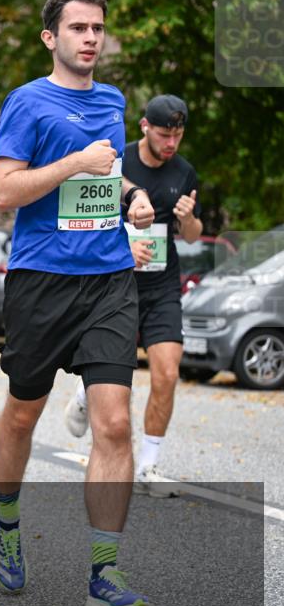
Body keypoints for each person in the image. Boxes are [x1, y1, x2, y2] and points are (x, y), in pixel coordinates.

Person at [0, 0, 155, 606]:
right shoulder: (27, 103)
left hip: (110, 278)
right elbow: (5, 191)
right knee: (23, 415)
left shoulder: (113, 100)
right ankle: (6, 518)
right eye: (78, 28)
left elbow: (107, 174)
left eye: (97, 28)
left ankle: (104, 574)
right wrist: (75, 163)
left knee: (114, 423)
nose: (91, 37)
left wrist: (128, 195)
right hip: (41, 283)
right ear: (51, 38)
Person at [64, 94, 202, 498]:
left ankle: (148, 466)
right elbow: (91, 218)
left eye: (177, 134)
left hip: (162, 287)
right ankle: (83, 392)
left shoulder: (185, 172)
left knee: (167, 373)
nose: (171, 142)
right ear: (144, 127)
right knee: (115, 373)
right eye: (164, 134)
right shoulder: (118, 160)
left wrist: (189, 219)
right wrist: (126, 245)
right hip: (116, 281)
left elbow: (192, 236)